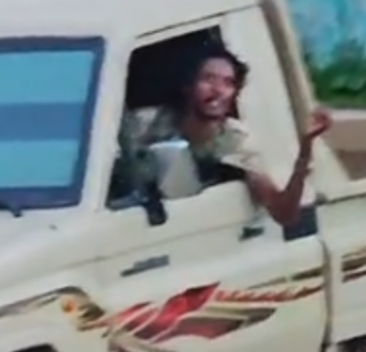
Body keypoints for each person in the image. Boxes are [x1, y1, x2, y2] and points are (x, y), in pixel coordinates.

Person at [137, 30, 332, 230]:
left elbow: (283, 212)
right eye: (208, 79)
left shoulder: (236, 140)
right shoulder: (148, 124)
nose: (218, 91)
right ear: (187, 85)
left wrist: (305, 149)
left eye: (228, 83)